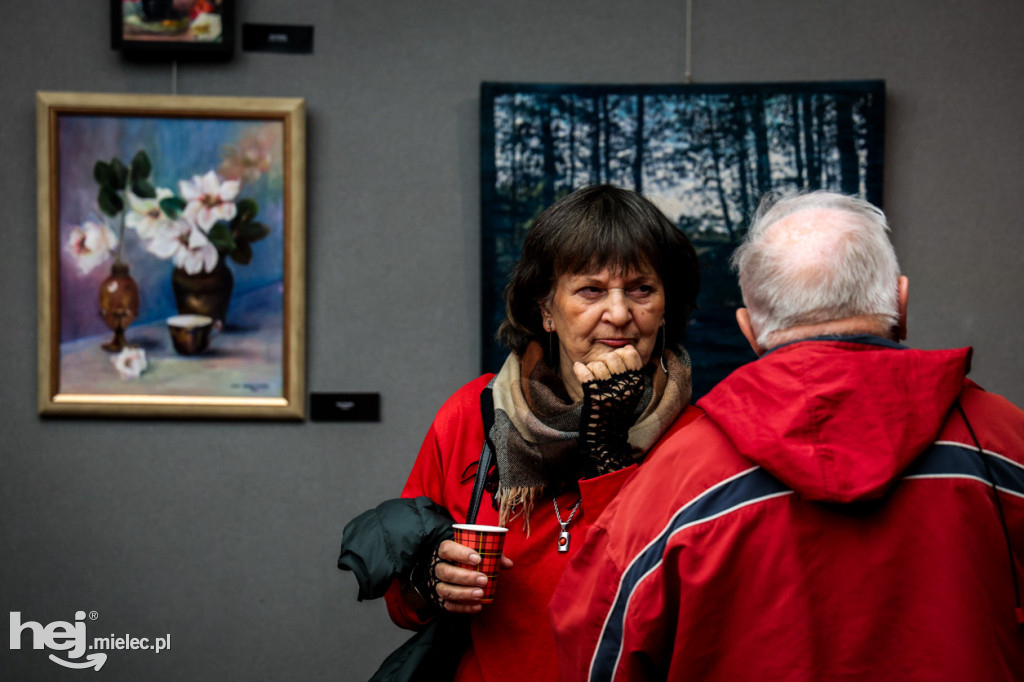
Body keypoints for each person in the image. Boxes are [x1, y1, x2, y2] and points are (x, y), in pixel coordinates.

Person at [551, 190, 1024, 681]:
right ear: (901, 304)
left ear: (749, 329)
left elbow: (595, 650)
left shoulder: (676, 481)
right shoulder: (1005, 445)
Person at [339, 185, 701, 681]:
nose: (619, 313)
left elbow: (688, 612)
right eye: (591, 290)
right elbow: (404, 605)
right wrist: (432, 577)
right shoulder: (474, 412)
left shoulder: (697, 436)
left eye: (642, 289)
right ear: (546, 310)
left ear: (665, 306)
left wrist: (609, 458)